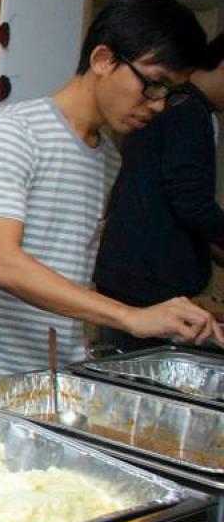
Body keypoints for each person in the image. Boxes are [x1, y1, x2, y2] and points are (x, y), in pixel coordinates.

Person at [0, 0, 218, 386]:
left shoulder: (108, 158)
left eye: (171, 93)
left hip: (48, 385)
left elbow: (70, 271)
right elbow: (1, 263)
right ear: (102, 59)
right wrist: (129, 315)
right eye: (154, 84)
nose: (159, 104)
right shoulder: (15, 132)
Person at [93, 33, 224, 352]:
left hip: (128, 271)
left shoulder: (176, 106)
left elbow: (166, 198)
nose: (156, 100)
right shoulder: (188, 109)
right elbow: (188, 198)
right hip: (149, 280)